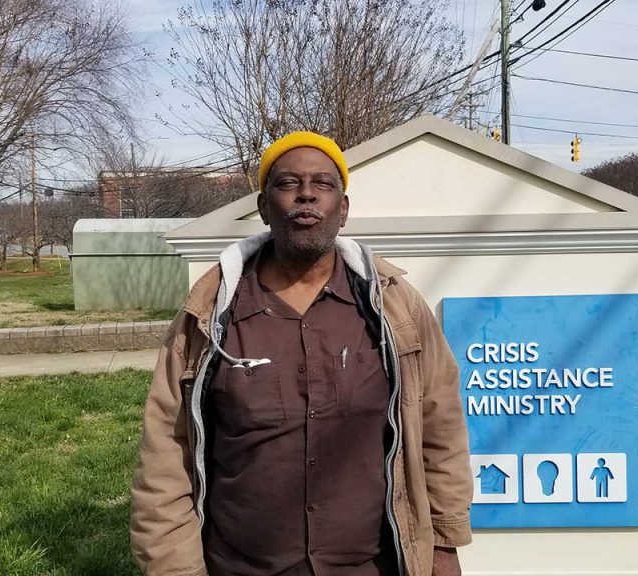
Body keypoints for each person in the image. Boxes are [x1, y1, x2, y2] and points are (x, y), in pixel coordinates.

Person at [130, 131, 473, 576]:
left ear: (343, 209)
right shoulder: (210, 314)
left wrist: (444, 547)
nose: (306, 193)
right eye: (288, 183)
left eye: (323, 184)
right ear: (263, 207)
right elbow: (167, 451)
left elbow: (439, 428)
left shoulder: (395, 309)